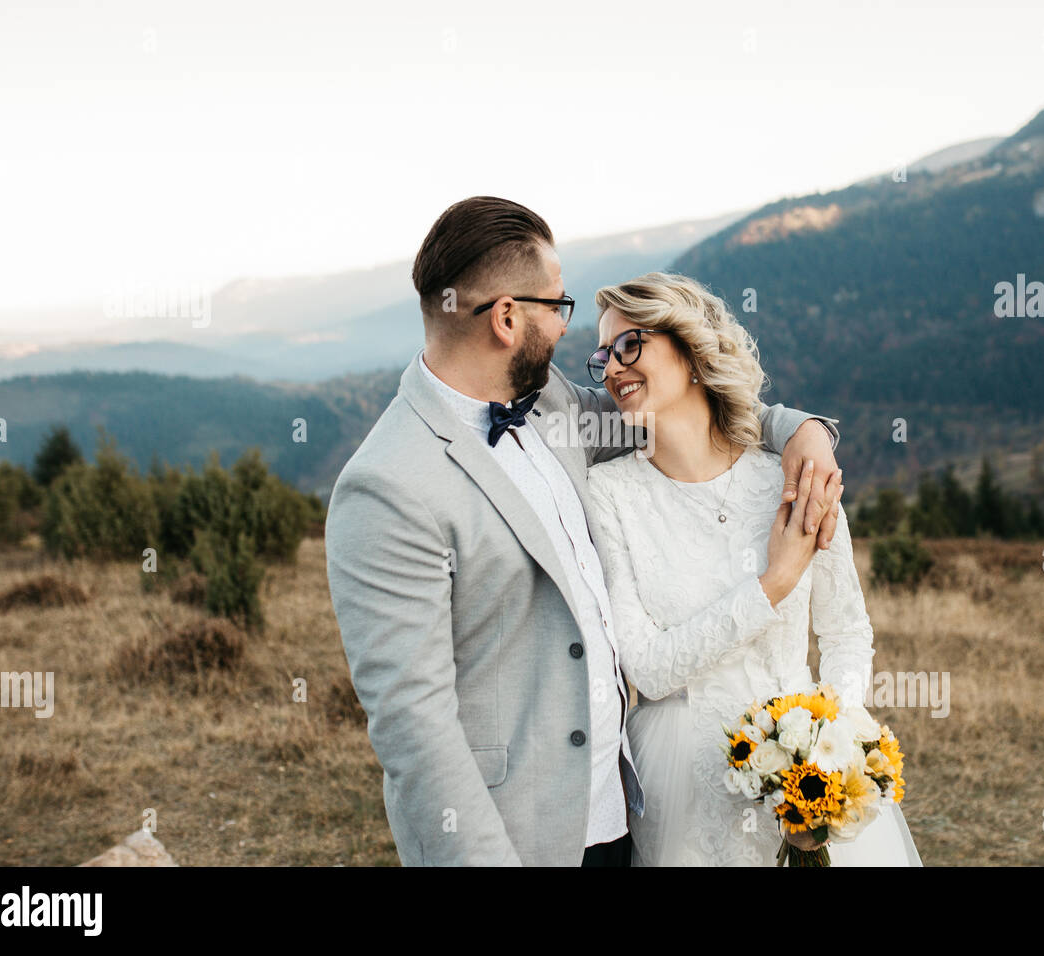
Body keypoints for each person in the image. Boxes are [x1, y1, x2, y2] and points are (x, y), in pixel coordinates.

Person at [324, 197, 845, 866]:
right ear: (508, 318)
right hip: (522, 839)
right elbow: (413, 731)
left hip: (624, 816)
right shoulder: (388, 487)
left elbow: (683, 405)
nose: (568, 330)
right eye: (557, 306)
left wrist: (802, 430)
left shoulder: (552, 404)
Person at [586, 272, 922, 866]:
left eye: (629, 345)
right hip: (682, 785)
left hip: (805, 780)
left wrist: (828, 748)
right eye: (603, 356)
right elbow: (649, 669)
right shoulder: (609, 495)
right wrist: (773, 585)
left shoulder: (794, 478)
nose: (612, 368)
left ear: (691, 352)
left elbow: (846, 633)